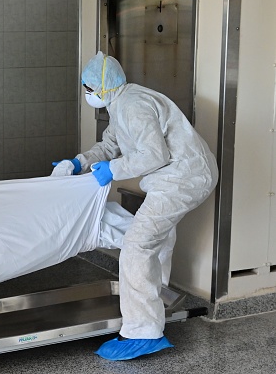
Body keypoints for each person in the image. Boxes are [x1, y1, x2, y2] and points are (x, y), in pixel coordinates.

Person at [52, 51, 218, 360]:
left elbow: (155, 155)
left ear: (102, 87)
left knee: (137, 246)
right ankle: (158, 299)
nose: (87, 94)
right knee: (158, 237)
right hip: (179, 177)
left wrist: (112, 171)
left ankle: (143, 331)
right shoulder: (120, 103)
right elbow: (110, 144)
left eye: (88, 89)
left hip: (183, 178)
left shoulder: (133, 105)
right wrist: (79, 162)